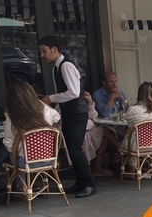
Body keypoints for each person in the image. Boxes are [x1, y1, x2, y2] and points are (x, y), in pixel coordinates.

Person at [38, 35, 96, 198]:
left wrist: (51, 98)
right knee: (72, 149)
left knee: (76, 149)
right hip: (70, 113)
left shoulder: (66, 66)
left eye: (44, 51)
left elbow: (73, 92)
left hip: (77, 113)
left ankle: (90, 184)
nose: (42, 55)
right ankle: (80, 182)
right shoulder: (56, 67)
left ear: (54, 49)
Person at [3, 80, 60, 175]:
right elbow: (57, 116)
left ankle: (23, 186)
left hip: (25, 162)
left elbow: (10, 147)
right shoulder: (45, 111)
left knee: (12, 151)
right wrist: (39, 102)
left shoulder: (12, 119)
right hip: (49, 159)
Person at [121, 81, 152, 177]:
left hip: (136, 146)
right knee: (134, 134)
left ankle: (132, 170)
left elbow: (128, 122)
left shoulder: (133, 110)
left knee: (131, 134)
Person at [82, 91, 117, 176]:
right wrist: (92, 124)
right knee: (104, 130)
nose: (114, 84)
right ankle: (122, 151)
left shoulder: (82, 102)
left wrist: (90, 103)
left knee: (105, 139)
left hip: (87, 131)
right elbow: (83, 124)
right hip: (78, 134)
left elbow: (93, 116)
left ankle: (97, 168)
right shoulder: (66, 107)